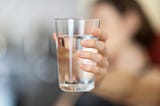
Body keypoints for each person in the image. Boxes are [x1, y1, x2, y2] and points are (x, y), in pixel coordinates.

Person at [54, 0, 160, 106]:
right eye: (88, 24)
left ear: (130, 22)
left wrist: (96, 81)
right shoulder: (85, 76)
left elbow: (131, 89)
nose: (88, 32)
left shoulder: (153, 79)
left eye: (101, 22)